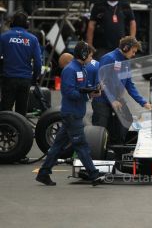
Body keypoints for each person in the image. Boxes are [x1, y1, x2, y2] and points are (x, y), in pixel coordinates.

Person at [36, 41, 102, 186]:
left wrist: (92, 91)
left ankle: (43, 173)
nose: (91, 58)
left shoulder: (82, 69)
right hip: (71, 113)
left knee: (58, 146)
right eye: (90, 55)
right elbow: (69, 92)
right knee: (81, 144)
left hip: (75, 113)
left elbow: (81, 88)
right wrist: (87, 94)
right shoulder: (70, 70)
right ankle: (94, 175)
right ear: (84, 54)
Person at [92, 36, 151, 144]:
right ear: (125, 48)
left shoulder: (126, 62)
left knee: (126, 120)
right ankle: (98, 155)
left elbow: (130, 85)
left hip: (117, 100)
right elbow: (100, 82)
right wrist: (112, 99)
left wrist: (144, 103)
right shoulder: (108, 58)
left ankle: (116, 148)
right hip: (102, 100)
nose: (134, 55)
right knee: (100, 130)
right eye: (133, 52)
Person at [0, 11, 42, 116]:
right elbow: (38, 63)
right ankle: (20, 131)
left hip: (8, 78)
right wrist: (34, 78)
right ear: (26, 24)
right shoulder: (33, 39)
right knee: (21, 112)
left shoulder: (4, 37)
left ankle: (5, 131)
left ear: (12, 23)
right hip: (25, 79)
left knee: (5, 111)